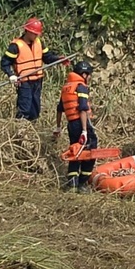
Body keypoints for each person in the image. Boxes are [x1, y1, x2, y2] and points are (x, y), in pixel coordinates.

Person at [56, 59, 99, 190]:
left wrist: (58, 127)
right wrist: (85, 130)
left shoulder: (66, 88)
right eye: (89, 75)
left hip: (71, 124)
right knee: (91, 151)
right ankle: (82, 183)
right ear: (84, 74)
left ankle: (72, 184)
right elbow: (83, 108)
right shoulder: (81, 86)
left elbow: (59, 109)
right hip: (81, 123)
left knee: (75, 151)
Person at [0, 18, 53, 122]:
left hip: (37, 80)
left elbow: (47, 57)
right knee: (25, 107)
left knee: (35, 108)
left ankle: (32, 129)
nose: (35, 36)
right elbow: (4, 63)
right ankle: (21, 130)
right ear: (27, 31)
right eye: (33, 33)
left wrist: (59, 59)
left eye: (37, 34)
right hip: (24, 82)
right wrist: (11, 75)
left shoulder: (39, 43)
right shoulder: (15, 46)